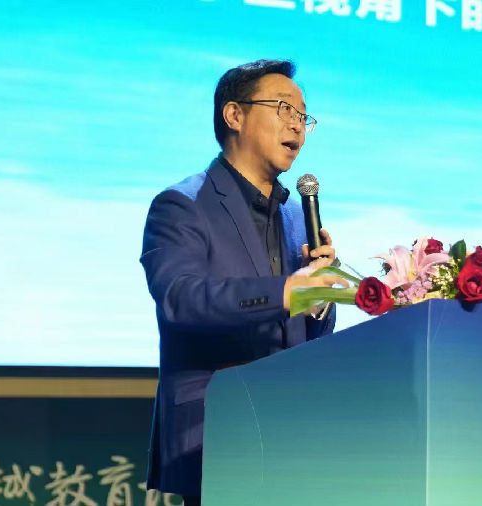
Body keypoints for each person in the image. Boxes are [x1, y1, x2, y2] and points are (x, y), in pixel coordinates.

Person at [139, 59, 347, 505]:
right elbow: (180, 299)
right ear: (234, 115)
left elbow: (305, 334)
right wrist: (287, 292)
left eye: (304, 115)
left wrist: (319, 300)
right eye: (284, 109)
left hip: (293, 432)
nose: (298, 125)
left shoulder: (296, 217)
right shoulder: (181, 204)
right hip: (216, 429)